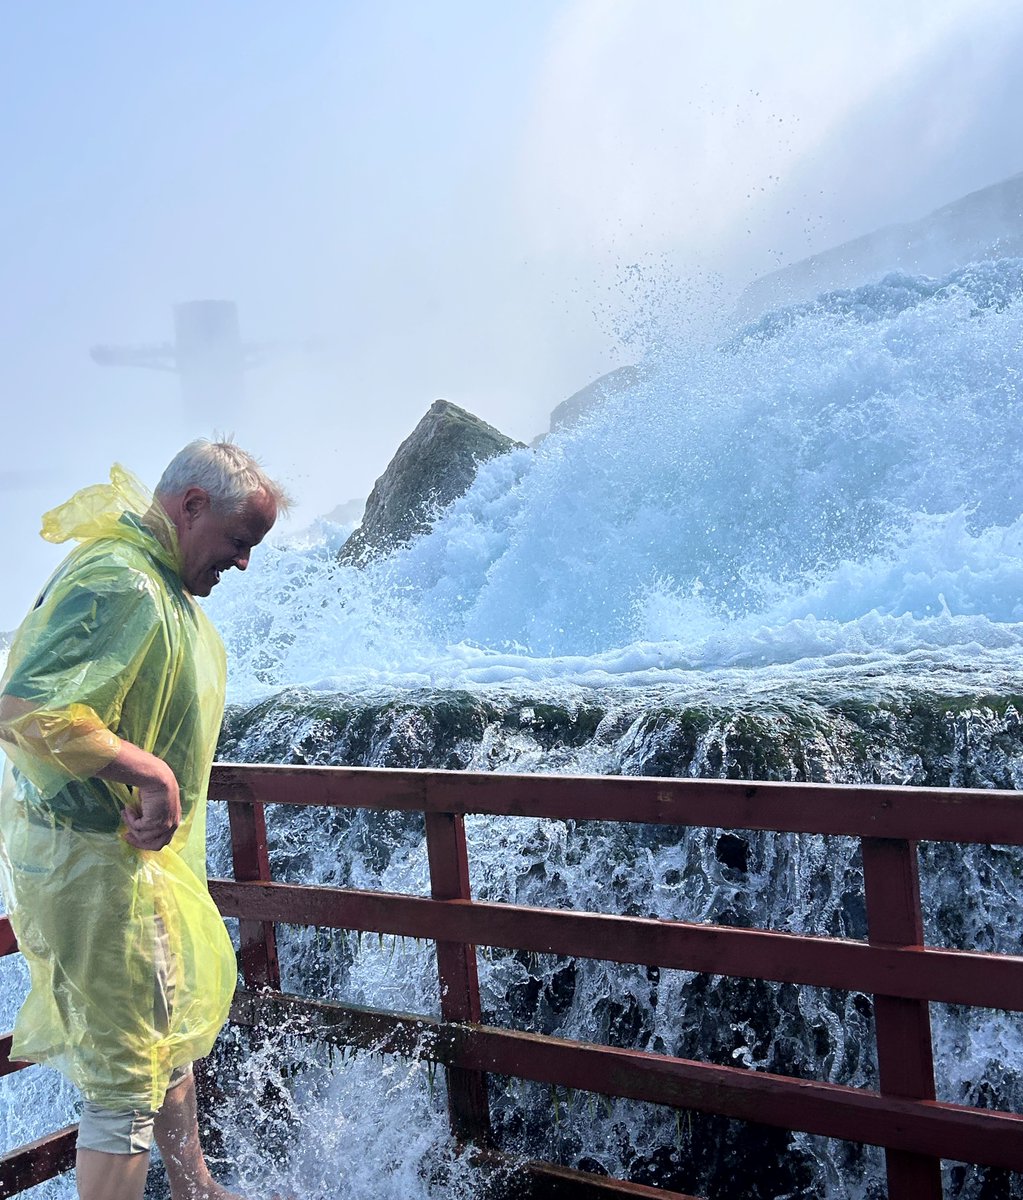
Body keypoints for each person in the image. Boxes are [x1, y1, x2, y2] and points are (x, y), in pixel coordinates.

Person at [0, 440, 289, 1200]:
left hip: (124, 868)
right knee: (124, 1083)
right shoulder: (120, 580)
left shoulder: (152, 580)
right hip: (93, 869)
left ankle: (195, 1190)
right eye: (238, 540)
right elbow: (23, 709)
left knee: (162, 1045)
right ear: (191, 506)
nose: (243, 562)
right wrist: (150, 772)